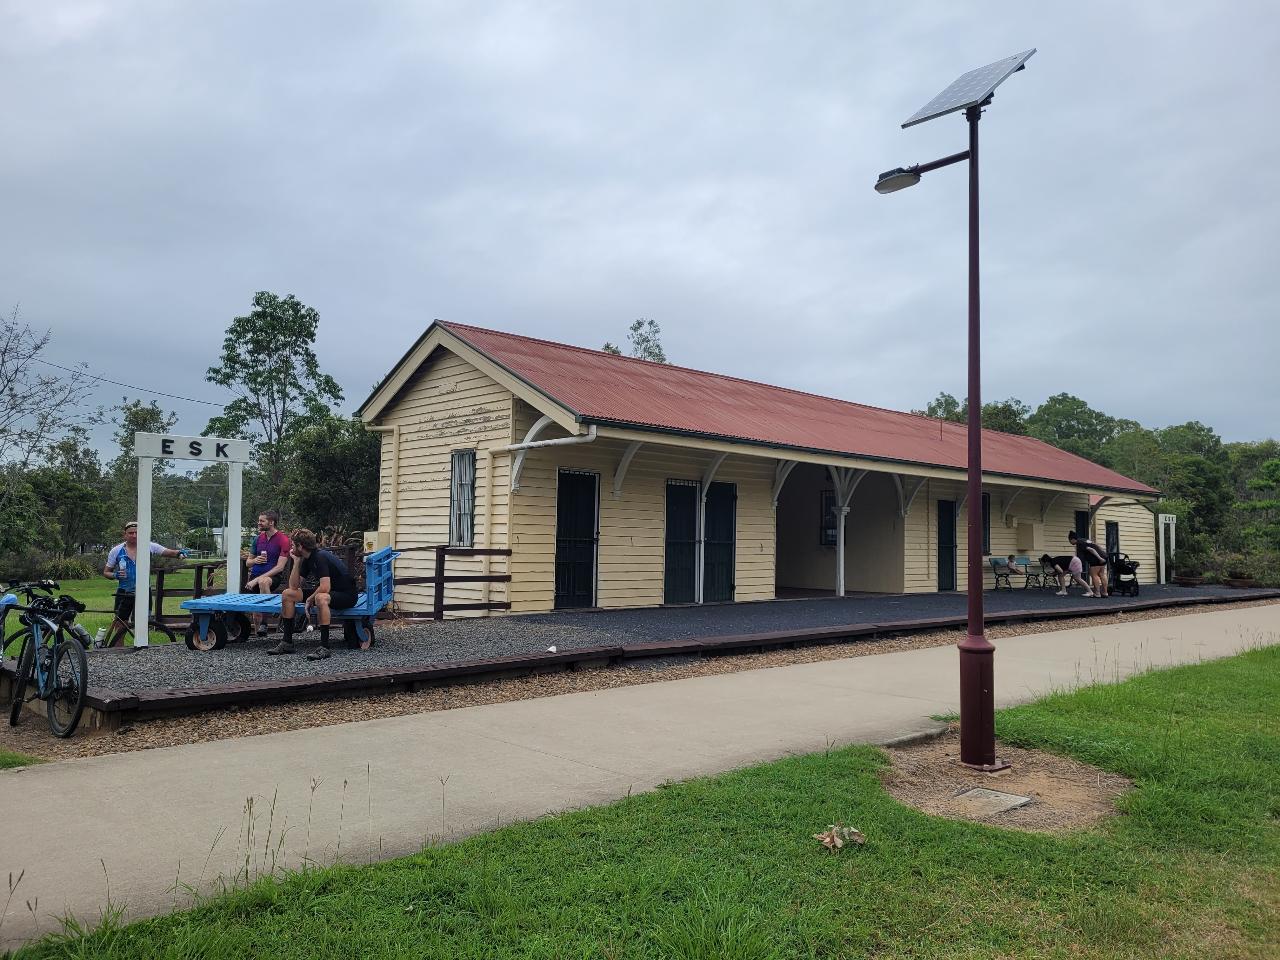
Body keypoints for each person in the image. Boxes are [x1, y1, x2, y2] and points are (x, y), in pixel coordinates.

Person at [268, 528, 360, 660]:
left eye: (293, 545)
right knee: (288, 594)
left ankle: (324, 647)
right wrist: (296, 562)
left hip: (346, 594)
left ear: (300, 546)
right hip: (329, 591)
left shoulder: (320, 556)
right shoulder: (306, 558)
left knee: (320, 597)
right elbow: (294, 586)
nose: (291, 548)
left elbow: (325, 587)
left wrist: (309, 599)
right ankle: (287, 642)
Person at [102, 521, 187, 647]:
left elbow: (166, 551)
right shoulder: (116, 551)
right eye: (131, 533)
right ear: (124, 535)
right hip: (124, 591)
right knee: (121, 623)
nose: (134, 535)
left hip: (143, 592)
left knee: (143, 622)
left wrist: (179, 553)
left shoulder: (148, 546)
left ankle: (142, 647)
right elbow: (106, 572)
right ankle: (118, 650)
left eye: (137, 533)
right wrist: (115, 575)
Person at [241, 510, 291, 638]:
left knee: (263, 581)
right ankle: (260, 635)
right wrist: (255, 560)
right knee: (256, 611)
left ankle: (268, 616)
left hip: (272, 577)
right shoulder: (257, 539)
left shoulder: (283, 540)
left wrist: (257, 579)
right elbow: (248, 563)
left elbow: (280, 567)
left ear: (271, 522)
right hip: (255, 576)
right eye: (259, 521)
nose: (259, 523)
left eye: (262, 521)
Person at [1069, 530, 1110, 598]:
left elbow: (1091, 550)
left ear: (1073, 539)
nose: (1070, 542)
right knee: (1102, 574)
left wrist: (1099, 558)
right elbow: (1095, 545)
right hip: (1104, 556)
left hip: (1096, 559)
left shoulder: (1080, 543)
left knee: (1094, 575)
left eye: (1070, 541)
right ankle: (1105, 593)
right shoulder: (1085, 540)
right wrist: (1102, 553)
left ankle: (1097, 593)